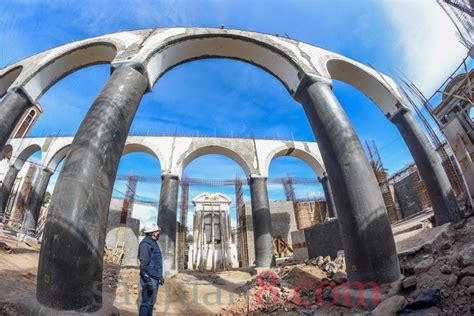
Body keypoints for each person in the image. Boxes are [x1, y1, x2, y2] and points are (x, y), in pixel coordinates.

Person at [138, 221, 165, 316]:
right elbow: (143, 265)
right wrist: (148, 281)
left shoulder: (153, 243)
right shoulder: (146, 244)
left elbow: (155, 261)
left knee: (151, 303)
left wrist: (159, 276)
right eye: (157, 231)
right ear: (152, 232)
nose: (158, 233)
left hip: (154, 278)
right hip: (149, 278)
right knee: (146, 304)